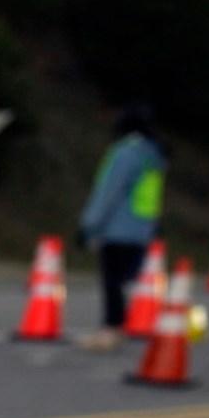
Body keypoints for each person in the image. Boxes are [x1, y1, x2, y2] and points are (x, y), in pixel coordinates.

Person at [76, 103, 167, 351]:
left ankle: (110, 330)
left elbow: (109, 192)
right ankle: (117, 328)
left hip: (118, 229)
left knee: (112, 283)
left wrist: (89, 225)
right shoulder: (154, 155)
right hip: (142, 229)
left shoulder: (125, 153)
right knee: (123, 283)